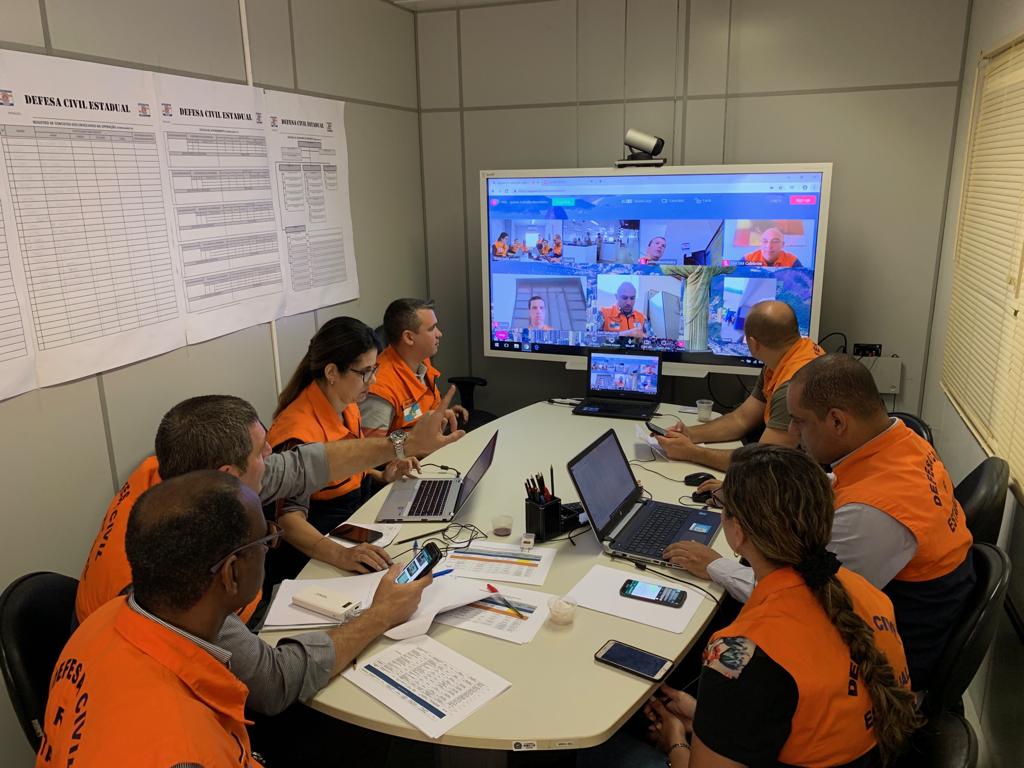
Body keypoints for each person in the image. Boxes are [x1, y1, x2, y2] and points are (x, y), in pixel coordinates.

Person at [40, 471, 430, 767]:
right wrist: (380, 615)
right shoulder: (186, 749)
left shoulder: (104, 620)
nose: (272, 545)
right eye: (266, 540)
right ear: (231, 573)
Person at [584, 445, 918, 768]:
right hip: (862, 755)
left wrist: (675, 740)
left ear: (737, 532)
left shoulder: (738, 655)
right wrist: (707, 716)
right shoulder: (866, 592)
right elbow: (798, 707)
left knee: (599, 752)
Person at [666, 354, 974, 690]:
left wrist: (714, 565)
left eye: (799, 421)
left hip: (885, 666)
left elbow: (800, 601)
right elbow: (838, 483)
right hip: (908, 611)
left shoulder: (874, 513)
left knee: (706, 635)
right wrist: (750, 492)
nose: (793, 432)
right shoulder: (903, 442)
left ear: (838, 421)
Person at [76, 389, 462, 625]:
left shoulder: (177, 476)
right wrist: (377, 617)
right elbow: (266, 681)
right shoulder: (168, 573)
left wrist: (403, 445)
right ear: (228, 476)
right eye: (262, 453)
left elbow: (302, 466)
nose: (272, 456)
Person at [267, 317, 414, 575]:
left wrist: (381, 476)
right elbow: (288, 520)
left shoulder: (348, 406)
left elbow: (343, 472)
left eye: (374, 369)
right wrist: (341, 555)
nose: (373, 380)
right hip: (315, 554)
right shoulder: (297, 432)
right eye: (365, 372)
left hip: (350, 528)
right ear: (332, 373)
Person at [655, 301, 823, 471]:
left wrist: (691, 452)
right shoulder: (785, 358)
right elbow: (741, 419)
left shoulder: (792, 387)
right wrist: (690, 434)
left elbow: (763, 464)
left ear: (753, 343)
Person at [361, 297, 469, 437]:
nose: (439, 334)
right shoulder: (380, 388)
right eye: (432, 329)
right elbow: (374, 448)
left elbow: (418, 412)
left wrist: (442, 415)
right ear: (409, 337)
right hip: (418, 450)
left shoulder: (420, 359)